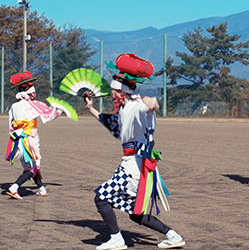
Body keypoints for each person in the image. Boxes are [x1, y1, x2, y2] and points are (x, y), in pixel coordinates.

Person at [84, 54, 185, 250]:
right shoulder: (124, 109)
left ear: (122, 92)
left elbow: (148, 110)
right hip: (138, 165)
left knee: (101, 198)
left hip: (134, 165)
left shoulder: (136, 107)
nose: (112, 93)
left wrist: (153, 104)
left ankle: (116, 239)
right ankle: (173, 236)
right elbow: (113, 125)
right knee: (136, 213)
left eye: (114, 90)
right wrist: (90, 108)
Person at [6, 71, 61, 199]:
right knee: (32, 167)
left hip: (18, 139)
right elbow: (49, 116)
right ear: (30, 92)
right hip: (30, 139)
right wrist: (60, 109)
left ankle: (41, 189)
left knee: (31, 165)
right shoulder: (34, 104)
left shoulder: (14, 106)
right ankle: (14, 187)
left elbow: (11, 125)